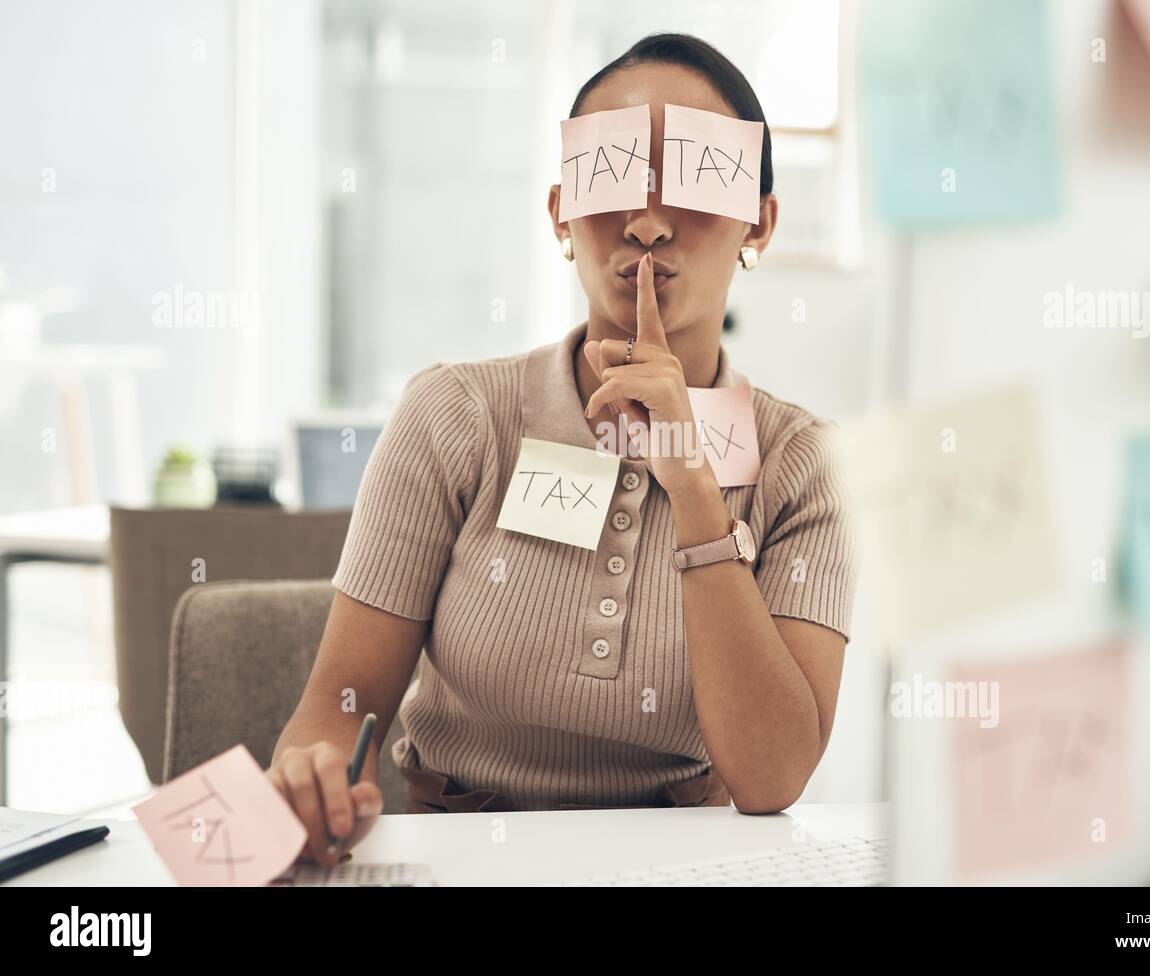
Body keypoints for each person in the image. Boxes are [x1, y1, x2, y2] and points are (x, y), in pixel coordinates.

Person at [270, 32, 857, 868]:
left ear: (759, 223)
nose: (647, 223)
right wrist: (313, 773)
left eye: (696, 179)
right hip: (454, 859)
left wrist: (692, 482)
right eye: (609, 176)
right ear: (560, 215)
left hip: (683, 871)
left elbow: (772, 777)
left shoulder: (804, 465)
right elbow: (336, 706)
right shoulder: (457, 413)